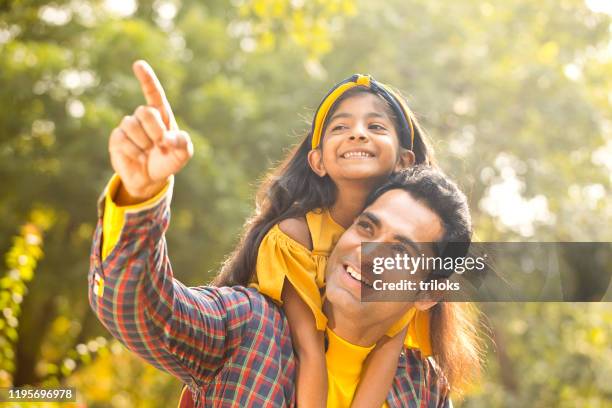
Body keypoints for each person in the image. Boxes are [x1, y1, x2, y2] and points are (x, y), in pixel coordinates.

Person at [90, 61, 481, 407]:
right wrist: (141, 195)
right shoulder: (249, 325)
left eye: (401, 251)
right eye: (366, 226)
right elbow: (136, 308)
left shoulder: (422, 386)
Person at [213, 72, 436, 407]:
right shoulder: (294, 237)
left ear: (405, 161)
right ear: (317, 161)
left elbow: (389, 350)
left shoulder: (409, 254)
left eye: (375, 127)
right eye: (340, 128)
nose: (358, 134)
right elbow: (309, 349)